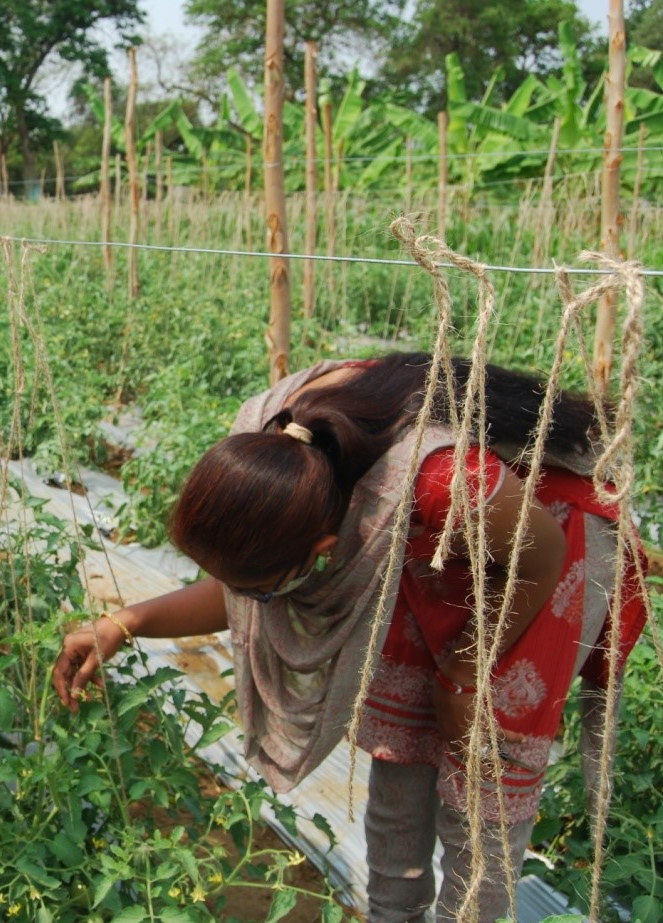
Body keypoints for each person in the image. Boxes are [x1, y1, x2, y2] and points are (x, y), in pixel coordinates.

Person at [52, 352, 648, 922]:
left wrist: (464, 676)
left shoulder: (440, 480)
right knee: (402, 746)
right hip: (439, 543)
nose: (249, 602)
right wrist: (123, 623)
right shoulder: (281, 443)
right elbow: (241, 587)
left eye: (261, 591)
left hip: (541, 549)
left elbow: (537, 554)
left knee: (480, 779)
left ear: (327, 549)